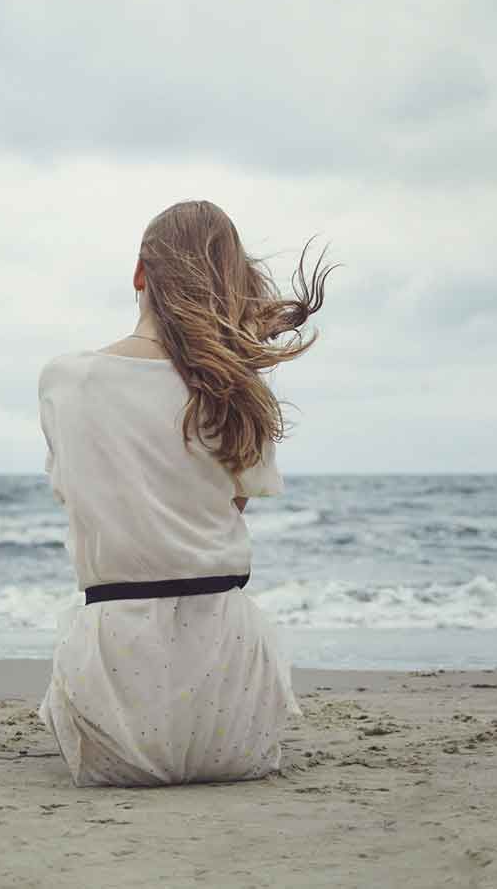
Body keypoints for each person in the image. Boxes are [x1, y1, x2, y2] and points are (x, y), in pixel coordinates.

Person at [36, 200, 336, 786]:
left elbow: (76, 495)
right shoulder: (236, 389)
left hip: (117, 676)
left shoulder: (65, 379)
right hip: (235, 703)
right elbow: (230, 505)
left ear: (139, 274)